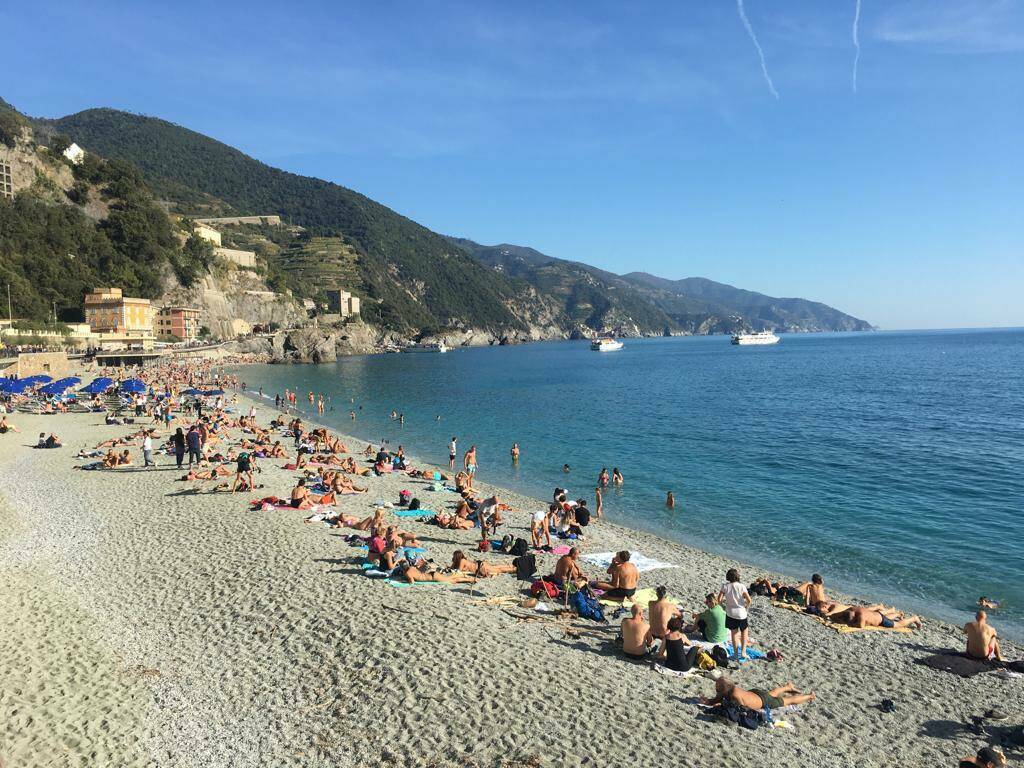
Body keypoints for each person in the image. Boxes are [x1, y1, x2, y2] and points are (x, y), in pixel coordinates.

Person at [700, 677, 816, 710]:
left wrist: (720, 706)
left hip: (762, 701)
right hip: (754, 693)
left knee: (787, 701)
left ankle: (810, 696)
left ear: (724, 689)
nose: (716, 691)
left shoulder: (735, 695)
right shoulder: (728, 689)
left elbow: (743, 708)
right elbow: (716, 699)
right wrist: (709, 701)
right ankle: (787, 687)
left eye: (718, 689)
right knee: (772, 693)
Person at [719, 568, 752, 660]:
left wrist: (723, 606)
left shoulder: (725, 586)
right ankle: (743, 652)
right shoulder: (741, 586)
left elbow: (719, 600)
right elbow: (749, 600)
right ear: (737, 576)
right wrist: (746, 606)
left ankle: (735, 654)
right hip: (741, 613)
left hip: (730, 613)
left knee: (734, 634)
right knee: (744, 632)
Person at [830, 606, 923, 631]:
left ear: (854, 617)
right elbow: (837, 614)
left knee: (898, 624)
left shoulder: (861, 617)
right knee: (886, 617)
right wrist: (832, 617)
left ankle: (914, 619)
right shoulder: (852, 609)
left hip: (881, 621)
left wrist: (848, 624)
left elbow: (860, 626)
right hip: (876, 615)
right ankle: (898, 614)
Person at [450, 550, 517, 578]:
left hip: (481, 568)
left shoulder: (462, 561)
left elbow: (458, 571)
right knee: (496, 567)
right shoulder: (463, 560)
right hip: (480, 565)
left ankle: (515, 570)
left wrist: (453, 564)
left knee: (500, 570)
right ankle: (512, 566)